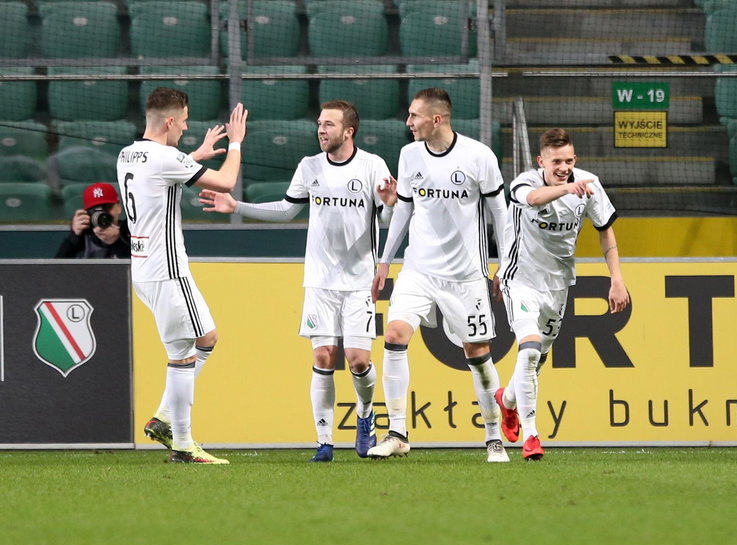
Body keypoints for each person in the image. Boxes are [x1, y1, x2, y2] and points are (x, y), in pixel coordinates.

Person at [200, 100, 397, 462]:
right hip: (319, 280)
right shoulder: (309, 166)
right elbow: (288, 209)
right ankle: (324, 442)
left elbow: (386, 218)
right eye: (319, 124)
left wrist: (388, 203)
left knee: (356, 361)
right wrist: (237, 206)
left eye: (329, 125)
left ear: (348, 131)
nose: (321, 130)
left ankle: (366, 416)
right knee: (324, 356)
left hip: (358, 282)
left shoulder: (373, 166)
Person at [368, 88, 511, 463]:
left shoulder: (479, 156)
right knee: (395, 334)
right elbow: (404, 209)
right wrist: (385, 260)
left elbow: (501, 212)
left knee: (477, 353)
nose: (407, 122)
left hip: (465, 276)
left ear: (437, 119)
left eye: (414, 116)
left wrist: (506, 264)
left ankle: (494, 437)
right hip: (418, 268)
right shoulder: (409, 154)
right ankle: (397, 432)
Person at [116, 87, 248, 464]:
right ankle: (184, 445)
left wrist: (194, 157)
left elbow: (158, 175)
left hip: (143, 268)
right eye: (185, 122)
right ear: (170, 121)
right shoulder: (166, 157)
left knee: (207, 337)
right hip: (168, 270)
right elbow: (225, 183)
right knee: (182, 355)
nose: (186, 129)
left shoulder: (128, 154)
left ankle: (164, 417)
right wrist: (235, 143)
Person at [494, 128, 630, 460]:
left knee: (536, 362)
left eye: (569, 161)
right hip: (520, 278)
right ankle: (532, 437)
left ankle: (508, 400)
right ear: (542, 161)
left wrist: (617, 278)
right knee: (528, 349)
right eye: (557, 161)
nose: (564, 167)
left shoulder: (589, 185)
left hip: (558, 284)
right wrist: (565, 188)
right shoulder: (523, 182)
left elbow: (605, 233)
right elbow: (533, 199)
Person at [55, 182, 130, 259]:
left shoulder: (129, 232)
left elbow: (137, 264)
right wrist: (74, 237)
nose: (102, 214)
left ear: (119, 208)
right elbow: (57, 267)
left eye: (108, 207)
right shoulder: (83, 236)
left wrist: (118, 241)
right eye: (95, 210)